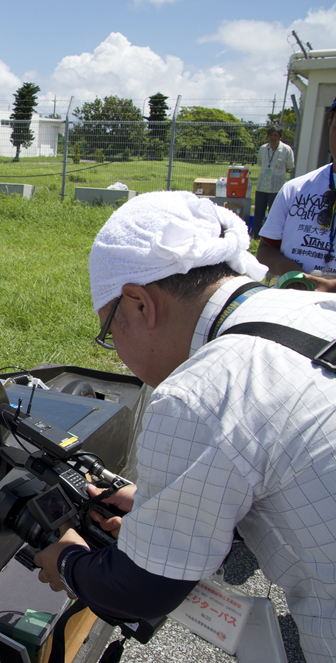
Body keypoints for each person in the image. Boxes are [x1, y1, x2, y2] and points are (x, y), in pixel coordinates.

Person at [34, 191, 336, 662]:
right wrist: (159, 498)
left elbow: (138, 590)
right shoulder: (307, 310)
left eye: (109, 332)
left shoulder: (199, 391)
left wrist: (65, 560)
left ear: (138, 304)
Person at [256, 98, 336, 292]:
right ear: (330, 124)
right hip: (290, 303)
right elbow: (266, 249)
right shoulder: (296, 189)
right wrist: (293, 273)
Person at [251, 125, 294, 238]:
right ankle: (256, 235)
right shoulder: (263, 148)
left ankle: (270, 237)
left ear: (280, 137)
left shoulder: (286, 149)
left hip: (276, 188)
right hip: (262, 186)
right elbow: (260, 163)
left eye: (276, 135)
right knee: (258, 212)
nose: (273, 137)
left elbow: (289, 166)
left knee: (274, 214)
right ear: (268, 137)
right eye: (271, 135)